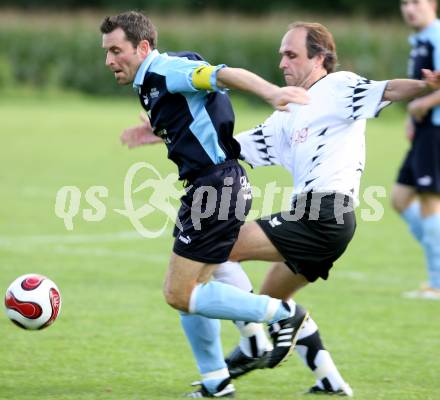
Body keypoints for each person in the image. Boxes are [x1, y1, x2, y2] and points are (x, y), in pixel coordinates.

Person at [192, 22, 440, 397]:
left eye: (291, 55)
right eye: (281, 54)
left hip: (322, 212)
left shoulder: (338, 88)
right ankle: (330, 381)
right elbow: (232, 148)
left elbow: (388, 89)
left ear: (320, 58)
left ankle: (253, 345)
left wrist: (425, 86)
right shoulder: (287, 112)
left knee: (213, 249)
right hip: (327, 222)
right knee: (276, 301)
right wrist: (173, 134)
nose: (282, 63)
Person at [100, 11, 311, 398]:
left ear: (142, 47)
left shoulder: (166, 70)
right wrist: (155, 131)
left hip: (215, 189)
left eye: (117, 50)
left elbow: (221, 74)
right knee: (192, 291)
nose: (110, 60)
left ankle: (282, 316)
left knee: (178, 293)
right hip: (213, 187)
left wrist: (271, 93)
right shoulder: (152, 80)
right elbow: (197, 111)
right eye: (106, 52)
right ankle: (217, 380)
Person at [391, 0, 440, 299]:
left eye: (416, 2)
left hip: (437, 131)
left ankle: (437, 283)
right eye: (405, 3)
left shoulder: (437, 36)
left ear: (433, 4)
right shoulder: (419, 40)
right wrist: (412, 116)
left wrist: (423, 104)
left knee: (429, 203)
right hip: (424, 132)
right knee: (399, 198)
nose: (409, 8)